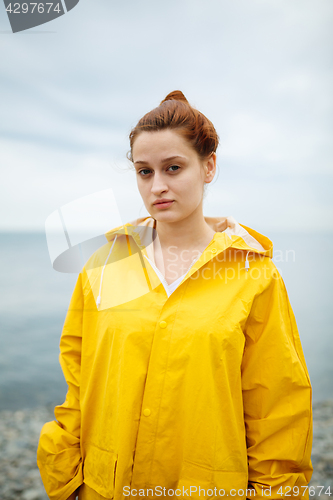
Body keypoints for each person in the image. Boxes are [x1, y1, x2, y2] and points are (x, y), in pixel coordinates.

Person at [37, 91, 313, 500]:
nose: (158, 186)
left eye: (173, 167)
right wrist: (69, 483)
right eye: (144, 172)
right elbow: (79, 382)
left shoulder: (254, 276)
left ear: (209, 166)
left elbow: (277, 407)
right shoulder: (104, 264)